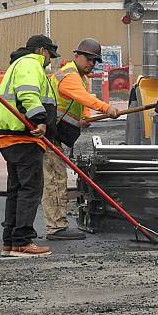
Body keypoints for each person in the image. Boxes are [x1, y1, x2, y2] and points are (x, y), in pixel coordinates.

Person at [42, 37, 120, 241]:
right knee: (55, 180)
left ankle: (51, 224)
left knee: (54, 178)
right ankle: (56, 227)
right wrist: (106, 108)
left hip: (56, 135)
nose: (92, 64)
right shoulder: (69, 75)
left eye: (95, 61)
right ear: (76, 56)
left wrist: (84, 118)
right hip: (48, 136)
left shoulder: (81, 77)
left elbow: (82, 101)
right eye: (88, 59)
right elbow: (83, 97)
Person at [0, 34, 60, 257]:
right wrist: (40, 120)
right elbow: (28, 93)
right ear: (41, 50)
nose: (49, 60)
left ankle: (10, 242)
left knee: (17, 190)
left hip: (11, 136)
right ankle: (22, 241)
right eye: (49, 54)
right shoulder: (30, 64)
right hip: (23, 136)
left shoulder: (17, 65)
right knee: (30, 189)